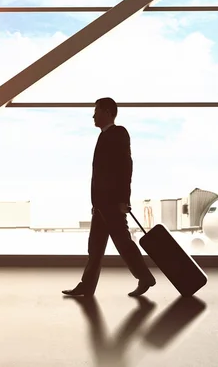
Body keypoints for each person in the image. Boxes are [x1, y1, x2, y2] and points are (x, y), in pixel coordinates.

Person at [62, 97, 156, 297]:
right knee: (95, 248)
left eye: (96, 111)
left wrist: (124, 200)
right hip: (101, 205)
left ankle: (145, 277)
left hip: (112, 204)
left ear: (106, 111)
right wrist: (95, 203)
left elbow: (125, 168)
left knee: (123, 244)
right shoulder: (103, 136)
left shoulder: (118, 133)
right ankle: (87, 286)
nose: (93, 115)